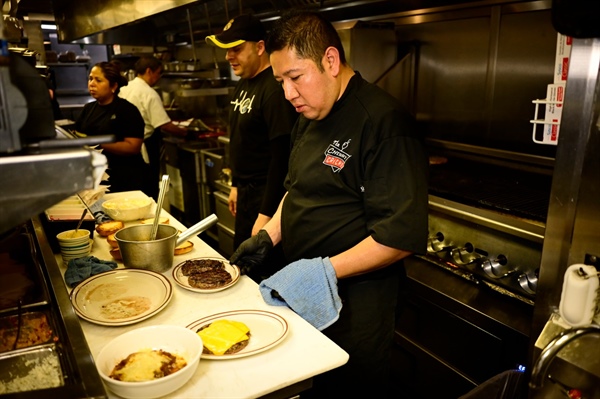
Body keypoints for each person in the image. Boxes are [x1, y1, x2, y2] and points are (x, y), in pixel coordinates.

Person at [230, 11, 429, 398]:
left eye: (295, 77)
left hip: (357, 303)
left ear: (331, 61)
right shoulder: (310, 112)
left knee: (348, 389)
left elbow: (398, 236)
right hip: (305, 290)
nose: (288, 93)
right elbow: (302, 187)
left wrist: (321, 271)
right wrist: (269, 236)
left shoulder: (384, 122)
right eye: (280, 81)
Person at [205, 14, 298, 281]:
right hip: (246, 194)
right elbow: (240, 140)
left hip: (267, 199)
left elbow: (282, 157)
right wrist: (235, 183)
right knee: (243, 269)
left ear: (259, 47)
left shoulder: (274, 88)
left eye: (236, 49)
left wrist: (266, 214)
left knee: (263, 275)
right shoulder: (244, 85)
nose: (228, 57)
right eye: (226, 50)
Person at [74, 61, 150, 195]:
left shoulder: (127, 110)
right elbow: (77, 135)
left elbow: (133, 146)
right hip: (96, 179)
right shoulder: (88, 109)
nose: (92, 84)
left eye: (98, 80)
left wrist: (97, 143)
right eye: (90, 79)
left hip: (124, 180)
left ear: (113, 86)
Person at [119, 56, 188, 200]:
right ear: (149, 71)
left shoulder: (125, 88)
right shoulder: (149, 93)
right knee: (148, 192)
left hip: (125, 147)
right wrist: (186, 132)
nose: (159, 77)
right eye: (158, 73)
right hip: (144, 147)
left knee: (135, 193)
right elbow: (163, 124)